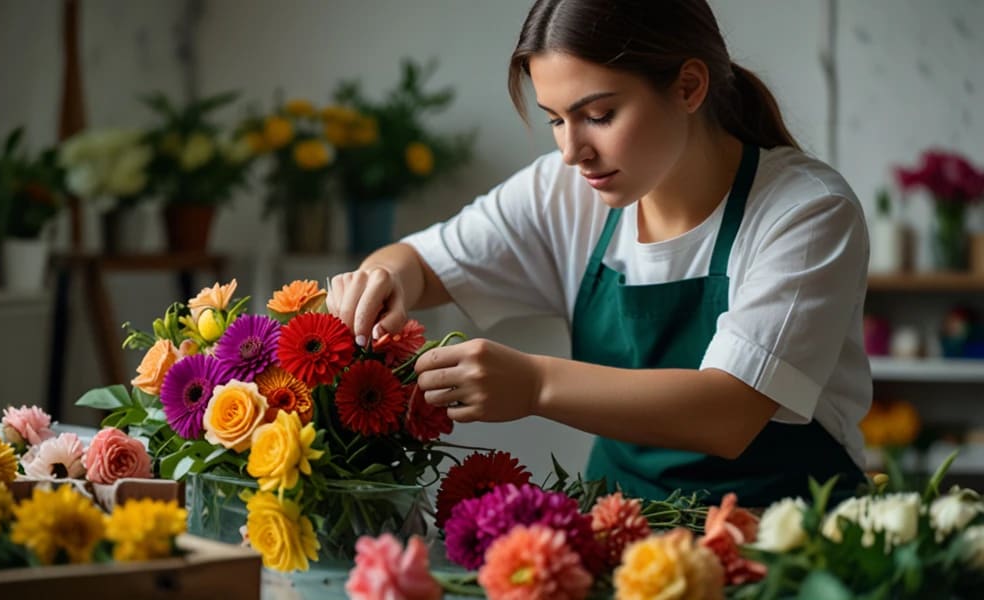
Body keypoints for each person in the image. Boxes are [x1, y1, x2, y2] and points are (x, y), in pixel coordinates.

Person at [325, 0, 871, 507]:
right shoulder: (563, 194)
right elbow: (418, 263)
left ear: (688, 86)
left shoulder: (806, 211)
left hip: (789, 543)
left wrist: (535, 385)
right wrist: (382, 278)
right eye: (556, 120)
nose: (571, 152)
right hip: (619, 531)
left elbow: (728, 413)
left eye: (600, 115)